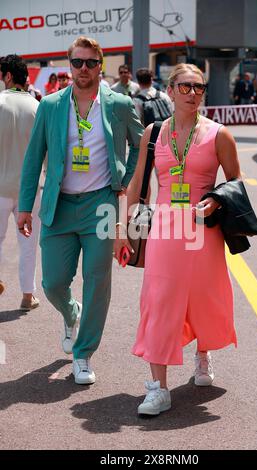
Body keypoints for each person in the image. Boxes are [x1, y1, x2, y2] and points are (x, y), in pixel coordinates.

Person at [114, 63, 241, 416]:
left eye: (198, 88)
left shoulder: (219, 135)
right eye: (184, 87)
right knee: (159, 300)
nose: (192, 94)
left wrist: (217, 199)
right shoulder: (153, 133)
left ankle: (202, 354)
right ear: (169, 91)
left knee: (204, 296)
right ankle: (158, 388)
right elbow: (139, 184)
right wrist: (122, 232)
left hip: (205, 231)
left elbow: (236, 183)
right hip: (165, 230)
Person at [17, 37, 144, 385]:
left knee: (97, 280)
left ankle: (83, 353)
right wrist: (25, 206)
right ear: (68, 65)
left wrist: (124, 177)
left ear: (100, 65)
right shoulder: (51, 105)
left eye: (90, 63)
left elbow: (140, 142)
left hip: (100, 204)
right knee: (53, 282)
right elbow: (33, 159)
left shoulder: (118, 104)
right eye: (77, 63)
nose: (83, 69)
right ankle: (71, 314)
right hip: (59, 204)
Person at [0, 54, 40, 309]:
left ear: (8, 76)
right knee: (28, 243)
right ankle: (28, 295)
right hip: (30, 189)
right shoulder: (38, 106)